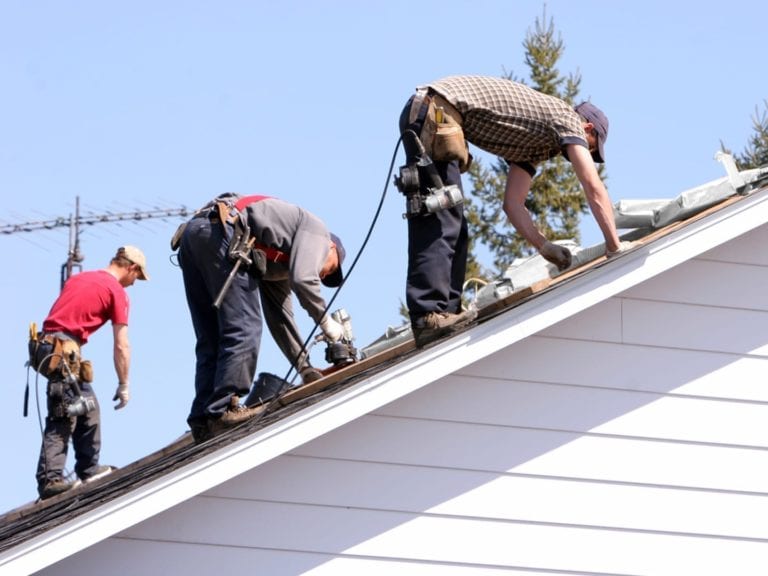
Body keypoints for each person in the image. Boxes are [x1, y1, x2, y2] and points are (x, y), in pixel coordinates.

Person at [398, 75, 632, 346]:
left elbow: (512, 204)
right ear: (587, 128)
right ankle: (430, 316)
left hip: (436, 113)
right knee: (441, 216)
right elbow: (592, 186)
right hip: (436, 110)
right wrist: (614, 246)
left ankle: (446, 313)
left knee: (454, 223)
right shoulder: (567, 119)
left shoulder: (535, 146)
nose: (585, 154)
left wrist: (544, 247)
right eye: (591, 147)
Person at [177, 193, 347, 444]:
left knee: (213, 337)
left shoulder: (277, 261)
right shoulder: (318, 232)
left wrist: (304, 368)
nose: (322, 274)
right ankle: (224, 410)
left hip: (197, 235)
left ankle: (203, 420)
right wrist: (325, 322)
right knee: (245, 327)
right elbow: (304, 280)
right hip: (222, 231)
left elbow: (280, 318)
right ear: (330, 247)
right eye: (330, 268)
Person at [30, 245, 149, 499]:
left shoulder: (81, 278)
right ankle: (50, 480)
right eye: (136, 277)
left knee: (88, 406)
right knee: (64, 413)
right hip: (62, 349)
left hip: (48, 346)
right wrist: (124, 383)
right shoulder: (116, 291)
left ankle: (88, 468)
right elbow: (121, 344)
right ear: (132, 267)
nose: (133, 284)